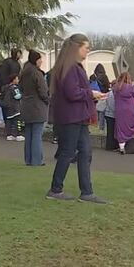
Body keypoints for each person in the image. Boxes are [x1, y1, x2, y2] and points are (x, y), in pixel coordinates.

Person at [47, 34, 107, 204]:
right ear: (76, 47)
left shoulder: (73, 67)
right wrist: (91, 94)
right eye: (86, 47)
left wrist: (92, 96)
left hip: (79, 117)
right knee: (67, 152)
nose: (88, 50)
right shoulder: (69, 68)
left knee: (86, 152)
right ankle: (55, 189)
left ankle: (86, 192)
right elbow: (72, 93)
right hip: (70, 117)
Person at [19, 50, 48, 166]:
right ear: (36, 60)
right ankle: (37, 160)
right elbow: (43, 91)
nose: (41, 61)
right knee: (37, 134)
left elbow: (20, 87)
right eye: (40, 59)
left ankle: (28, 159)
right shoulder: (37, 73)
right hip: (37, 106)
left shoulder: (24, 73)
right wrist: (47, 101)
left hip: (26, 105)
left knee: (29, 134)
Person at [113, 72, 134, 154]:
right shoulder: (129, 87)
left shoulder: (116, 87)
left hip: (119, 110)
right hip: (130, 110)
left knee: (121, 128)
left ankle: (122, 148)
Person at [0, 49, 23, 127]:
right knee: (11, 106)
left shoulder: (7, 62)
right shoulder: (13, 63)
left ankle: (8, 126)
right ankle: (12, 127)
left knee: (7, 106)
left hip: (5, 85)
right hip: (8, 85)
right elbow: (14, 74)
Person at [1, 74, 23, 141]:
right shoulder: (14, 87)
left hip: (8, 107)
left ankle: (9, 135)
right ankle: (18, 135)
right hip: (15, 107)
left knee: (9, 121)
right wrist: (22, 94)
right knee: (17, 121)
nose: (18, 80)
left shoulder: (6, 87)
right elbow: (17, 96)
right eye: (17, 79)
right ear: (13, 80)